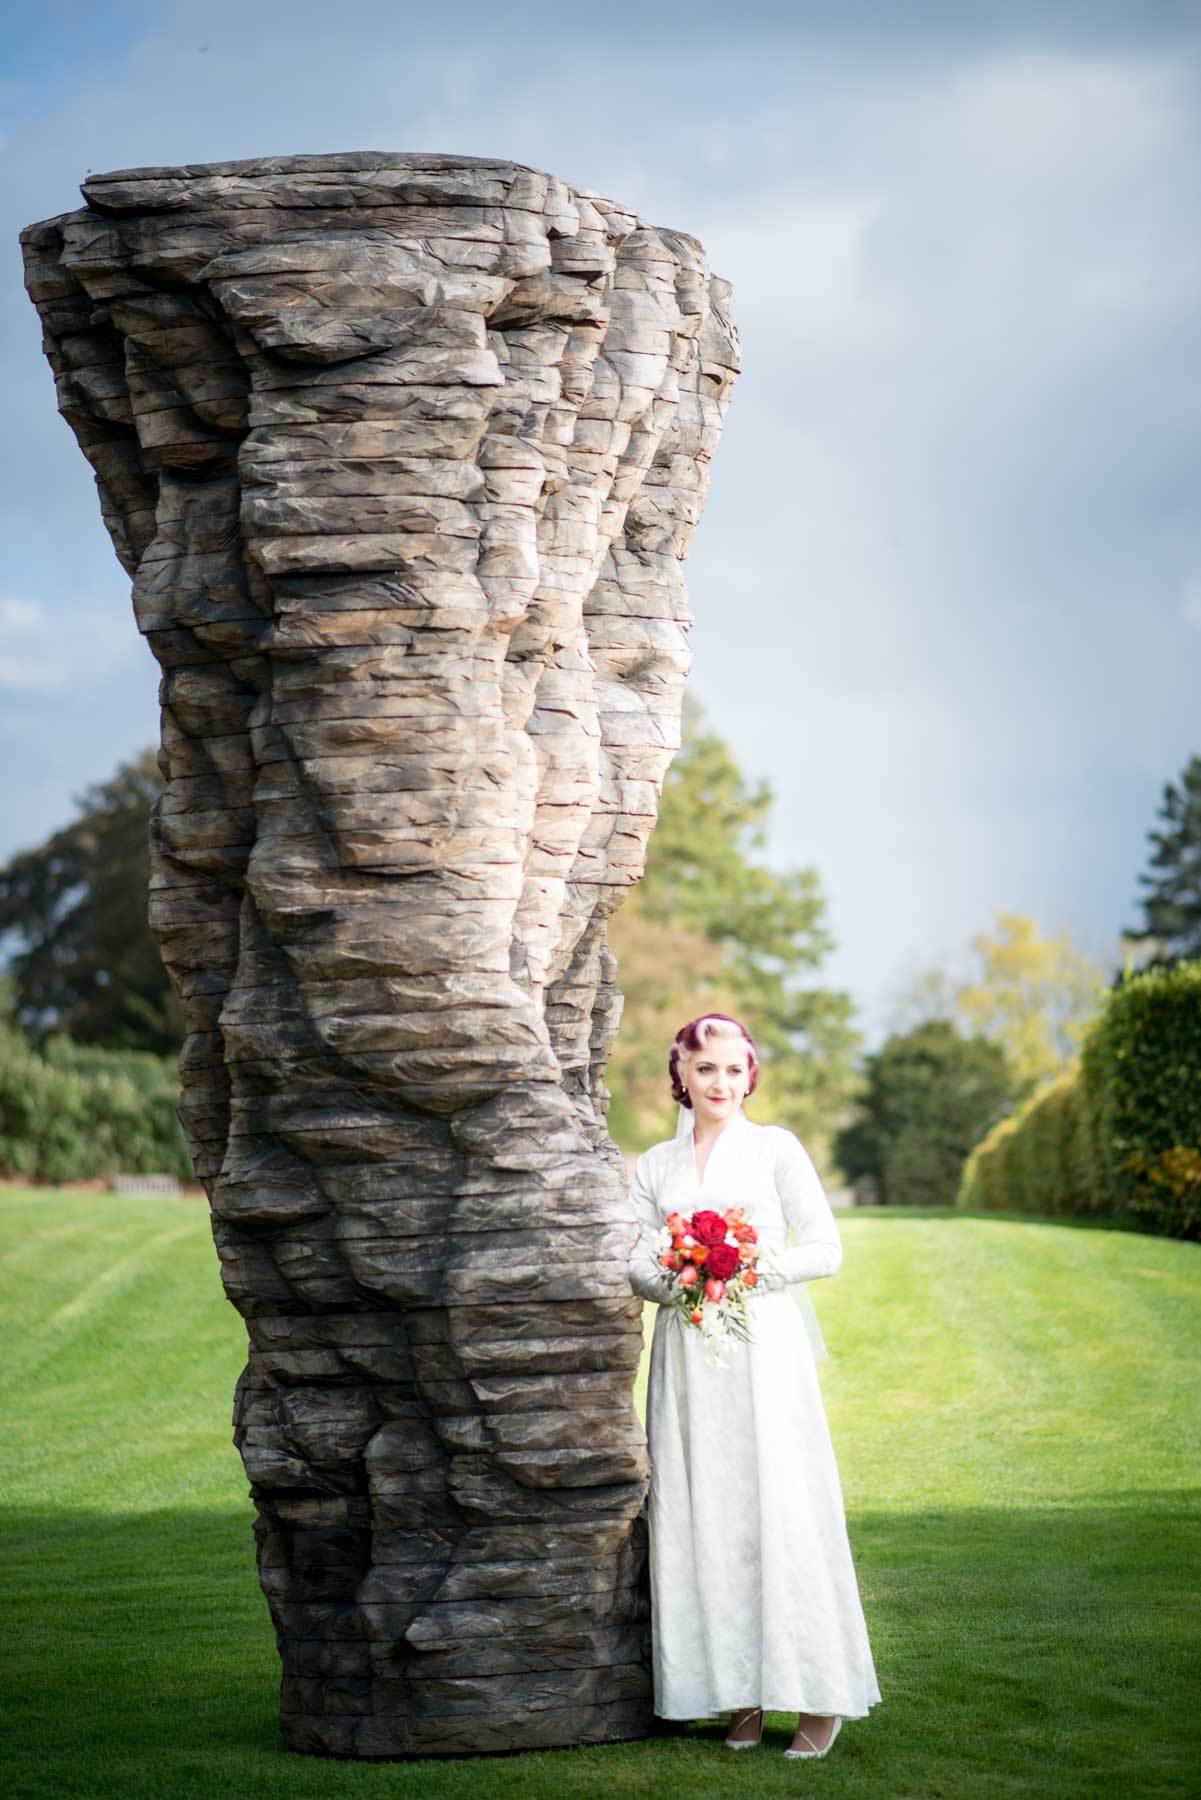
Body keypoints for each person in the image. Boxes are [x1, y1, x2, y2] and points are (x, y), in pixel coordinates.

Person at [627, 1012, 883, 1758]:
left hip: (762, 1353)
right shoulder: (654, 1166)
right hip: (685, 1358)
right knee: (702, 1512)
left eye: (734, 1069)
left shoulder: (775, 1150)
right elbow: (635, 1263)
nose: (721, 1083)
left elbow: (824, 1249)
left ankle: (815, 1698)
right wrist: (680, 1278)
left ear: (750, 1074)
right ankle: (732, 1695)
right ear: (679, 1073)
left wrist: (736, 1268)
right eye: (705, 1069)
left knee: (777, 1508)